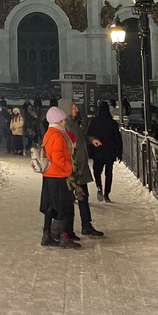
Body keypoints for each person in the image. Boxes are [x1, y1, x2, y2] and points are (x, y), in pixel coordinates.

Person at [59, 97, 103, 237]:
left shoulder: (73, 123)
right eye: (74, 107)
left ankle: (84, 225)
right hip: (74, 168)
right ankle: (69, 229)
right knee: (75, 198)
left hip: (79, 167)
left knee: (82, 196)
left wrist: (91, 140)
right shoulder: (66, 126)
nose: (76, 109)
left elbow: (82, 137)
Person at [39, 106, 78, 248]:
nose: (64, 122)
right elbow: (58, 157)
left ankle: (47, 235)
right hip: (58, 175)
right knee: (65, 207)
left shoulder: (49, 133)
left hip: (49, 175)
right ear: (59, 121)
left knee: (50, 207)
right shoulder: (57, 135)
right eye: (63, 120)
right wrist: (69, 168)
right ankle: (64, 237)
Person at [87, 100, 123, 202]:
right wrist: (119, 153)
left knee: (97, 171)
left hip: (98, 151)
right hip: (110, 152)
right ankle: (107, 194)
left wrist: (90, 151)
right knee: (109, 173)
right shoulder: (112, 123)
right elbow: (117, 139)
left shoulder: (94, 122)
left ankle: (99, 186)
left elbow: (89, 135)